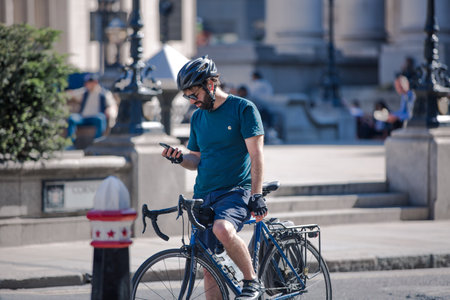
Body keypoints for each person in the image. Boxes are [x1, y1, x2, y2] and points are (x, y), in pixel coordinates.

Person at [162, 55, 267, 300]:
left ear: (211, 84)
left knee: (222, 229)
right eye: (187, 96)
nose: (191, 101)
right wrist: (179, 158)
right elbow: (195, 159)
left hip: (235, 191)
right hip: (203, 196)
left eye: (194, 94)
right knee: (209, 269)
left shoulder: (243, 108)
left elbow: (257, 155)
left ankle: (252, 280)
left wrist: (257, 194)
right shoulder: (198, 118)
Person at [66, 73, 117, 140]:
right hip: (83, 117)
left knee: (101, 118)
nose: (86, 84)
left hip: (96, 117)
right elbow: (72, 94)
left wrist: (109, 110)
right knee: (72, 118)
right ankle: (70, 142)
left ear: (95, 82)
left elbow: (112, 105)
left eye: (88, 82)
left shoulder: (104, 93)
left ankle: (97, 141)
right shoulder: (84, 92)